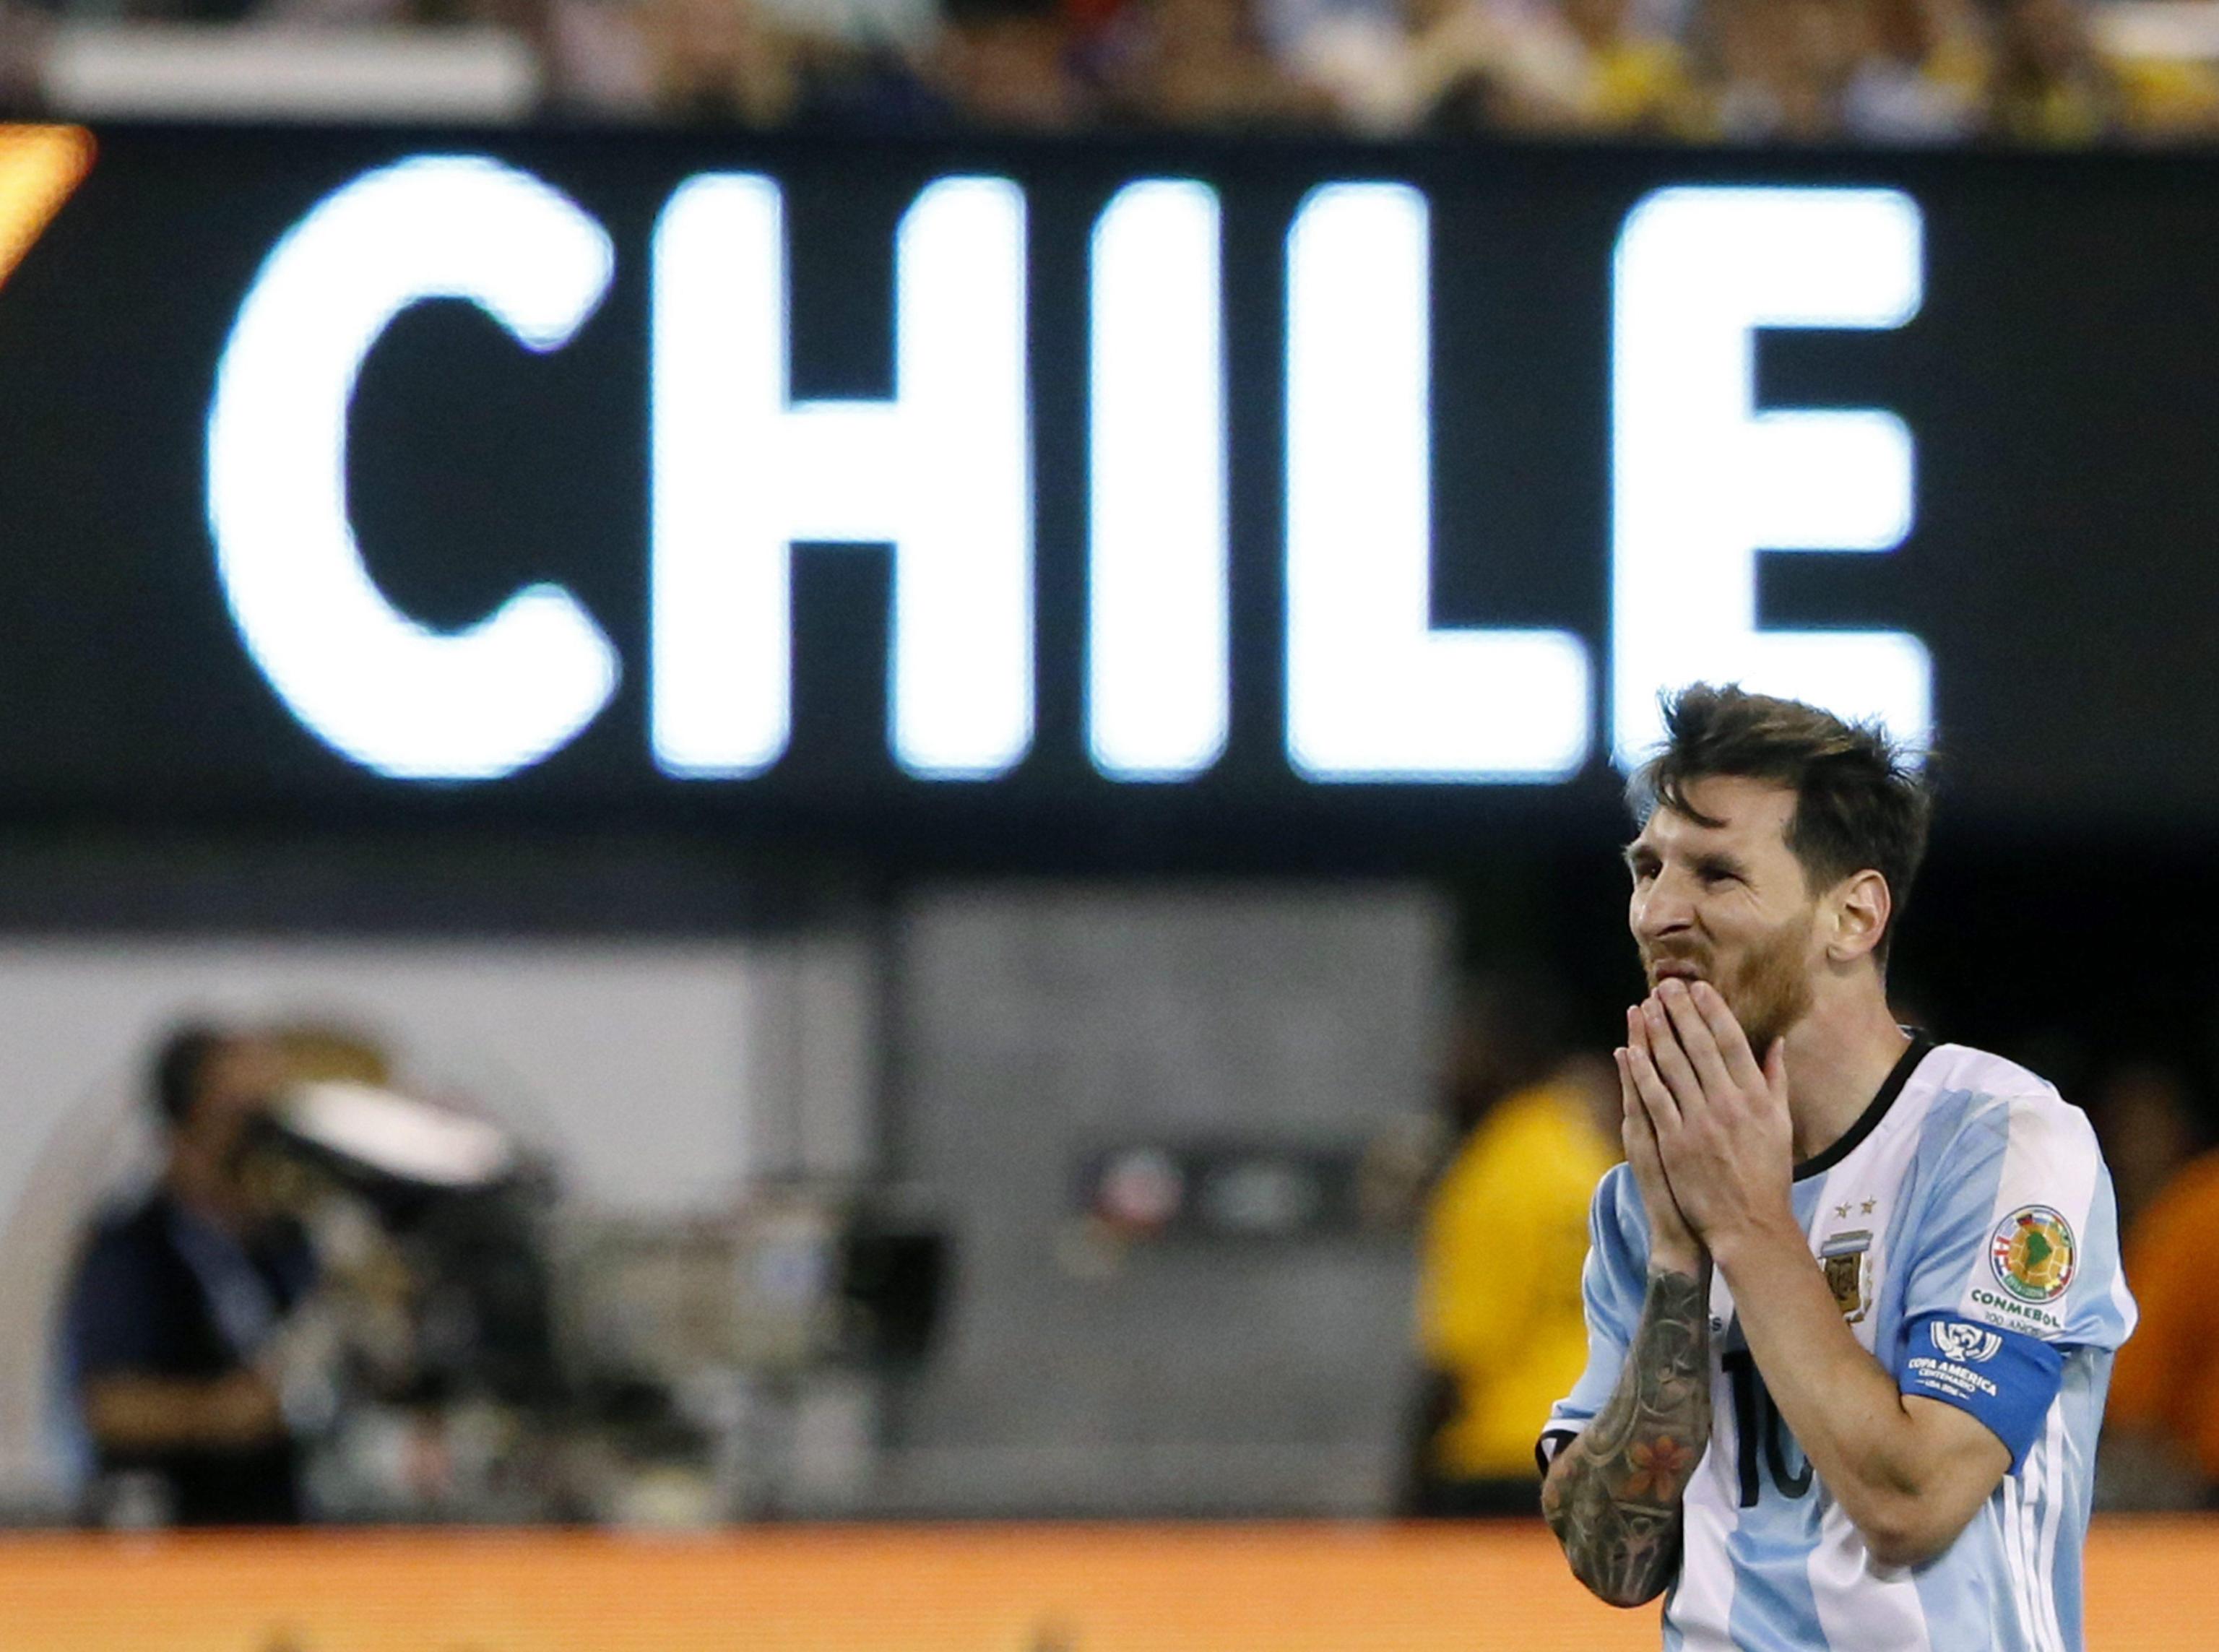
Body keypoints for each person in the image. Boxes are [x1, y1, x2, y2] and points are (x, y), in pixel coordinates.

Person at [1540, 686, 2134, 1648]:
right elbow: (1613, 1560)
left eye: (1717, 873)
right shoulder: (1643, 1195)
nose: (1658, 912)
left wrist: (1744, 1223)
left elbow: (1912, 1503)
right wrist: (1679, 1266)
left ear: (1853, 915)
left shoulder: (2002, 1142)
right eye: (1649, 868)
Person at [61, 1025, 317, 1526]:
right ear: (190, 1122)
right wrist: (223, 1413)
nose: (257, 1142)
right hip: (173, 1529)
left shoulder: (287, 1244)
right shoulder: (135, 1247)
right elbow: (109, 1405)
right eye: (240, 1118)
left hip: (278, 1528)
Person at [1407, 972, 1619, 1514]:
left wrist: (1410, 1471)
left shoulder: (1494, 1169)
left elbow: (1463, 1347)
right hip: (1599, 1439)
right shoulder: (1587, 1158)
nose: (1448, 1065)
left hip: (1503, 1455)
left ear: (1501, 1052)